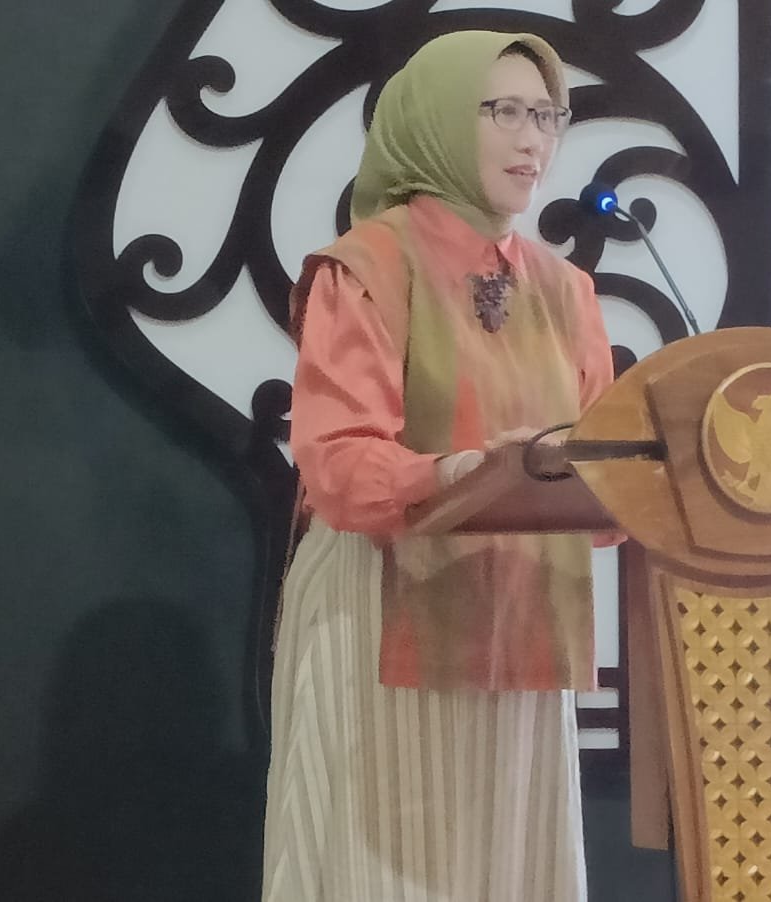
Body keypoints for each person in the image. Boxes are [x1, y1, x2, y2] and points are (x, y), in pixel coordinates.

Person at [259, 31, 617, 902]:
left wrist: (633, 483)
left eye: (548, 116)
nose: (533, 140)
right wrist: (459, 474)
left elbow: (603, 467)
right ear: (438, 121)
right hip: (384, 603)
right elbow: (340, 464)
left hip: (517, 613)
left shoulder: (566, 290)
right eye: (505, 113)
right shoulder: (368, 266)